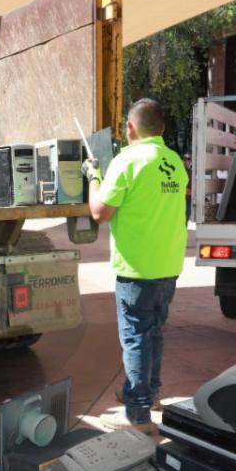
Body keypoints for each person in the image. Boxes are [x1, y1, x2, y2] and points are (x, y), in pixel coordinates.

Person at [82, 98, 188, 433]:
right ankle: (148, 394)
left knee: (136, 338)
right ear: (162, 128)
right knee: (153, 332)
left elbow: (99, 212)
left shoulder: (126, 161)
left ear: (130, 128)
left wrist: (93, 177)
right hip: (168, 265)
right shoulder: (174, 161)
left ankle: (137, 415)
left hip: (137, 269)